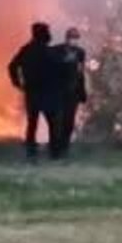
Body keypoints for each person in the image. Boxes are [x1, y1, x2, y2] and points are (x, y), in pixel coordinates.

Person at [8, 22, 59, 162]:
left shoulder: (26, 50)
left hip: (32, 91)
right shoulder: (49, 52)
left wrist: (17, 83)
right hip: (47, 91)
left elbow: (12, 66)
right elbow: (59, 70)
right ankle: (54, 152)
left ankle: (31, 151)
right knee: (52, 122)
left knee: (32, 123)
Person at [50, 26, 88, 160]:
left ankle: (64, 148)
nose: (74, 40)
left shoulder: (80, 53)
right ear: (66, 38)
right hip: (58, 92)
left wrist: (82, 92)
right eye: (72, 37)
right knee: (57, 121)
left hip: (73, 93)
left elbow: (81, 73)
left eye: (76, 38)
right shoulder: (56, 51)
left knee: (69, 122)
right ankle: (55, 150)